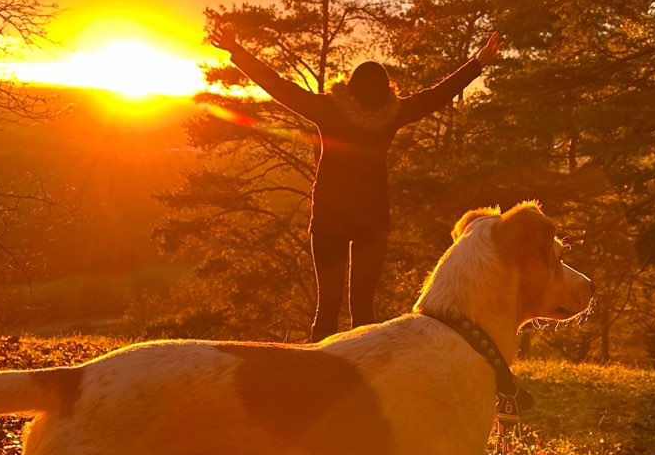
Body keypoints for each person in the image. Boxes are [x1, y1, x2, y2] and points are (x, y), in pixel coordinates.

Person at [211, 24, 501, 341]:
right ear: (387, 89)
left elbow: (278, 86)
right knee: (363, 308)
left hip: (328, 220)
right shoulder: (394, 112)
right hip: (372, 221)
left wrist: (237, 52)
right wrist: (478, 62)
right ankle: (362, 370)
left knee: (327, 307)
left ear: (349, 87)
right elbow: (437, 95)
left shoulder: (328, 108)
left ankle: (320, 372)